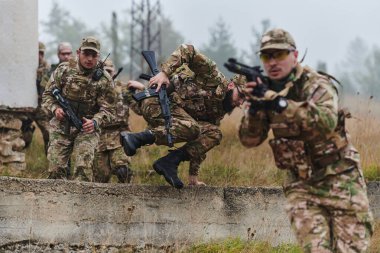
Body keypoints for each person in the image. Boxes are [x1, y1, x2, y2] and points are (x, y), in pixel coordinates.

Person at [238, 28, 374, 252]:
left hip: (341, 179)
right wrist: (255, 107)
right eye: (266, 56)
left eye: (279, 55)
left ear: (294, 55)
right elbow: (249, 140)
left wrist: (277, 103)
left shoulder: (315, 84)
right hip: (302, 186)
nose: (272, 62)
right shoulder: (264, 92)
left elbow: (324, 122)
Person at [121, 44, 245, 189]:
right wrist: (164, 73)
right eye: (241, 95)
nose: (241, 102)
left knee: (214, 133)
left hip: (174, 117)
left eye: (246, 100)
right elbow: (188, 50)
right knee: (191, 128)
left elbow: (202, 141)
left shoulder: (221, 107)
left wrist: (193, 175)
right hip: (157, 101)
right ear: (231, 86)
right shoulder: (213, 76)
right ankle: (136, 138)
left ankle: (169, 162)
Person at [42, 36, 116, 181]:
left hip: (86, 127)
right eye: (86, 54)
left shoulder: (104, 79)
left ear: (98, 56)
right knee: (55, 170)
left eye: (93, 55)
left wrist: (95, 122)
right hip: (62, 125)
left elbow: (109, 110)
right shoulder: (64, 69)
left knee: (83, 168)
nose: (89, 59)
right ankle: (56, 201)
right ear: (78, 52)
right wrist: (55, 109)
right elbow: (47, 95)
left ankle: (81, 202)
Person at [93, 59, 134, 183]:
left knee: (124, 172)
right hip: (99, 138)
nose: (107, 75)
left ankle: (126, 201)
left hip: (119, 137)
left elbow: (139, 108)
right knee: (100, 179)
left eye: (109, 71)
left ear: (114, 71)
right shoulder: (94, 89)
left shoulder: (123, 88)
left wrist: (141, 90)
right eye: (104, 71)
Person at [21, 42, 51, 150]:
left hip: (40, 107)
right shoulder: (24, 66)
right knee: (23, 133)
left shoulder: (47, 68)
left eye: (41, 53)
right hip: (26, 107)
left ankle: (51, 162)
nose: (39, 56)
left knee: (49, 134)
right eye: (37, 53)